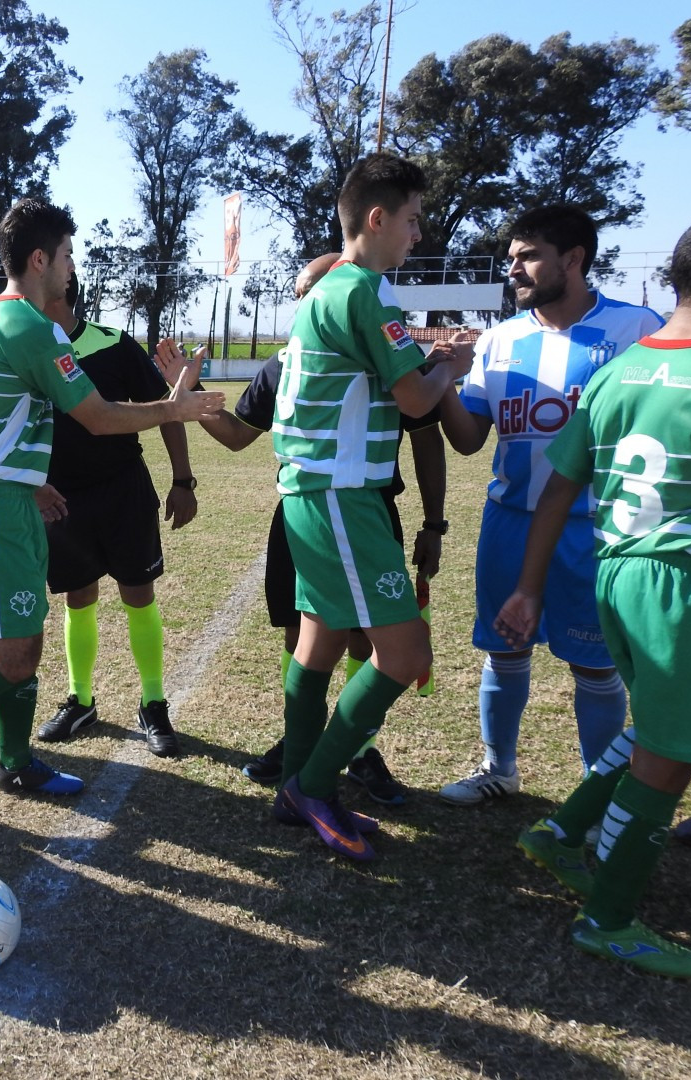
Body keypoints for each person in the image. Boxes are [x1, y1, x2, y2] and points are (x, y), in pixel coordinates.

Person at [0, 196, 222, 802]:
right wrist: (175, 408)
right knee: (15, 655)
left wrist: (28, 478)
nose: (72, 267)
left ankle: (16, 762)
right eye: (67, 255)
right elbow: (98, 417)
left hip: (12, 500)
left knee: (24, 639)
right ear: (39, 260)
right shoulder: (34, 328)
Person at [496, 214, 691, 979]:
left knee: (658, 723)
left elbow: (560, 484)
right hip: (685, 582)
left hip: (618, 574)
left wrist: (530, 585)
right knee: (669, 756)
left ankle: (562, 832)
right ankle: (610, 919)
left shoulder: (622, 369)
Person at [167, 252, 447, 804]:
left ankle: (358, 751)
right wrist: (193, 402)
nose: (304, 305)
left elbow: (427, 436)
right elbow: (238, 435)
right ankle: (304, 755)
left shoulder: (377, 349)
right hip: (311, 511)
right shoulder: (283, 362)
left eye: (311, 293)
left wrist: (433, 522)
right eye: (298, 297)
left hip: (367, 506)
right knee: (307, 637)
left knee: (369, 638)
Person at [263, 154, 472, 860]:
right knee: (406, 653)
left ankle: (293, 785)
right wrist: (449, 366)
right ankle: (314, 785)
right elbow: (415, 400)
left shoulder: (328, 289)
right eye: (412, 220)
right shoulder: (364, 291)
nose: (418, 234)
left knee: (318, 641)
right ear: (377, 219)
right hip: (341, 496)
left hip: (314, 492)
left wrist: (426, 362)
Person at [436, 205, 663, 806]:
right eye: (511, 257)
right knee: (504, 648)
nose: (513, 268)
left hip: (596, 529)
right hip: (510, 522)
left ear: (574, 259)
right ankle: (499, 768)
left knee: (594, 663)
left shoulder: (638, 329)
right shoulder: (500, 338)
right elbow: (468, 439)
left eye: (528, 256)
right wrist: (443, 382)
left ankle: (597, 793)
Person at [33, 271, 198, 758]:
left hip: (123, 491)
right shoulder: (29, 348)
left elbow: (167, 409)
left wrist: (183, 481)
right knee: (77, 597)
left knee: (138, 594)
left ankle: (153, 703)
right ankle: (80, 700)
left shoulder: (113, 344)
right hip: (61, 498)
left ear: (61, 293)